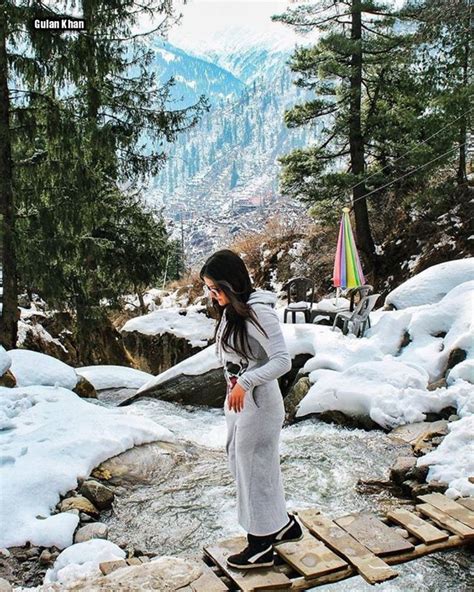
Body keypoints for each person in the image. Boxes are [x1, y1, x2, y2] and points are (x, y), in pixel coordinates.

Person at [200, 249, 303, 570]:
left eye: (216, 289)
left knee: (253, 467)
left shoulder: (260, 313)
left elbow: (282, 361)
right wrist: (237, 386)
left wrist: (246, 382)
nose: (212, 296)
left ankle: (260, 545)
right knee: (244, 461)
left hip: (259, 402)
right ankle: (283, 525)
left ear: (232, 284)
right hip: (240, 401)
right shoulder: (234, 309)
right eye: (209, 290)